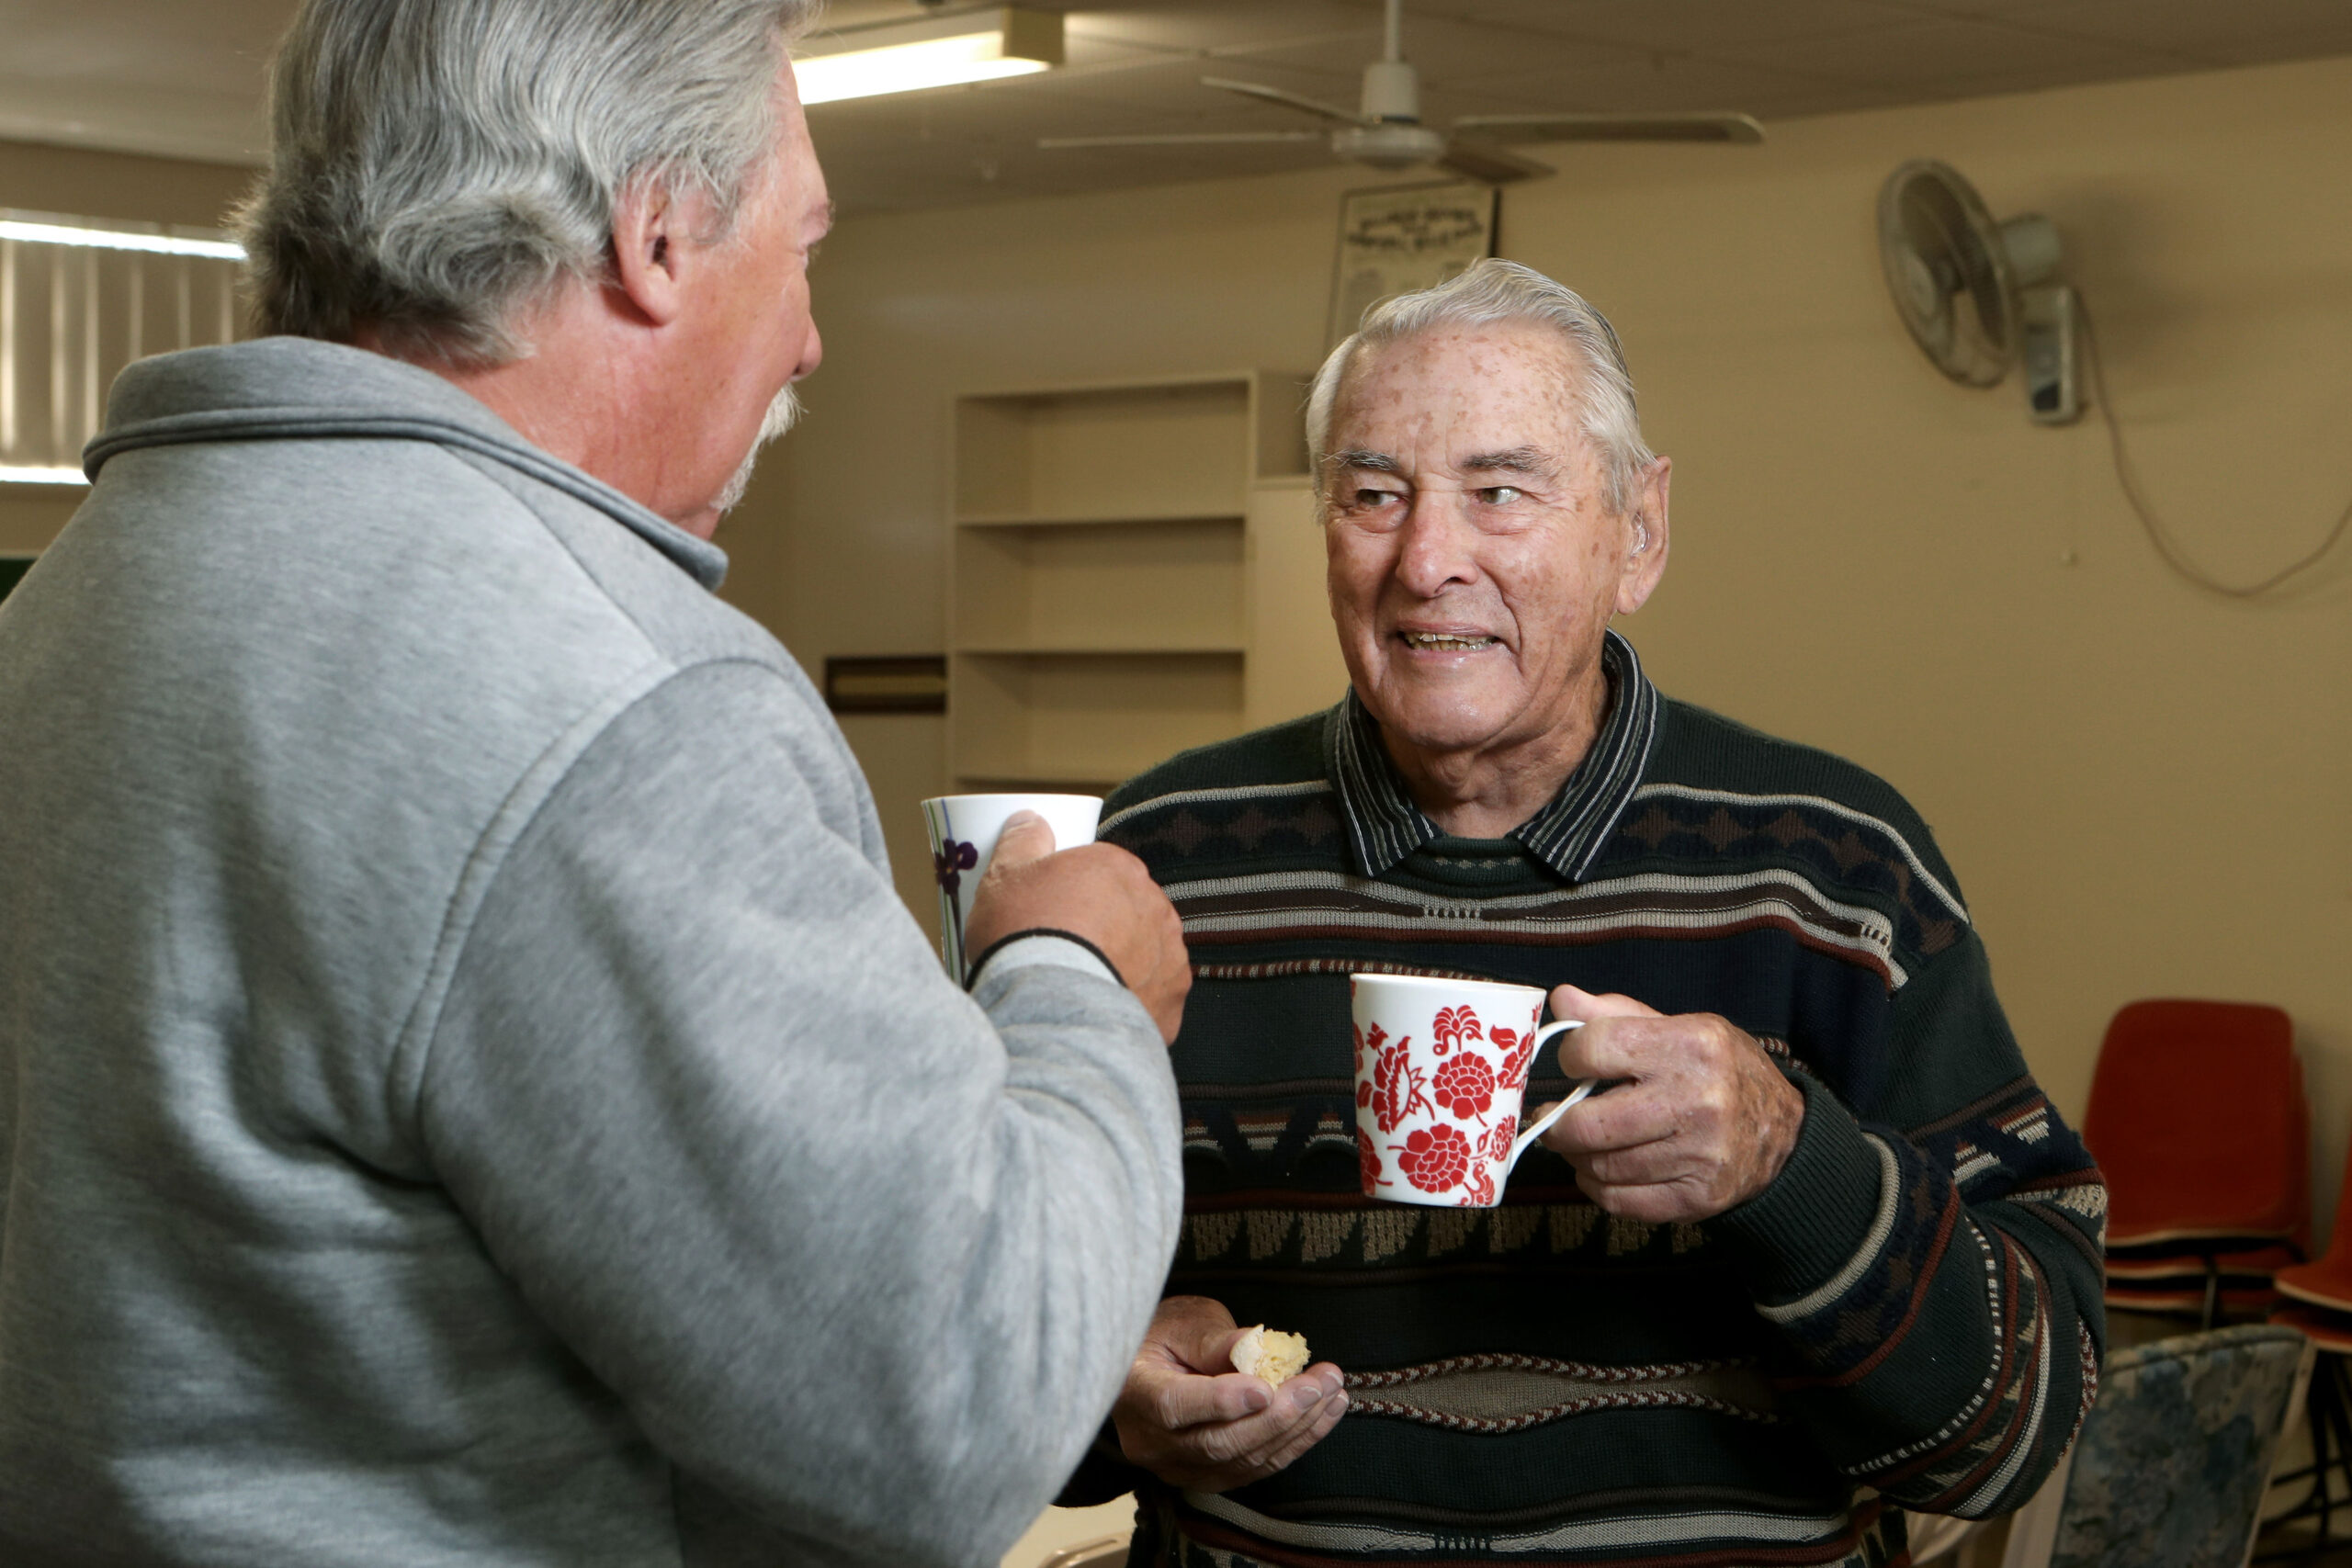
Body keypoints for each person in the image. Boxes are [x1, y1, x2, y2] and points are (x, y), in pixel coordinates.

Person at [0, 3, 1192, 1564]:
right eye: (806, 247)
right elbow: (955, 1411)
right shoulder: (619, 695)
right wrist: (1076, 979)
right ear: (655, 241)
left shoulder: (78, 598)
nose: (812, 334)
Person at [1074, 259, 2106, 1568]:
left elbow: (2022, 1419)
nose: (1428, 561)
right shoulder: (1164, 862)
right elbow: (979, 1329)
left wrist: (1796, 1167)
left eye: (1500, 492)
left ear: (1639, 532)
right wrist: (1108, 1394)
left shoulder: (1833, 874)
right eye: (1373, 495)